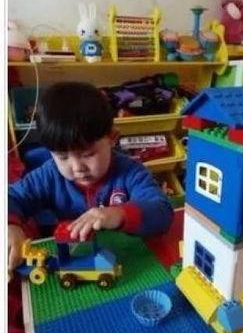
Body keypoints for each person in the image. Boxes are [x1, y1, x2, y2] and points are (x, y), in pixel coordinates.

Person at [8, 81, 172, 271]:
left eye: (87, 154)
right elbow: (12, 197)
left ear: (112, 138)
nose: (77, 167)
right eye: (62, 157)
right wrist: (10, 225)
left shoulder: (132, 173)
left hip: (127, 261)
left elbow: (162, 212)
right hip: (74, 260)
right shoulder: (48, 176)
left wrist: (119, 214)